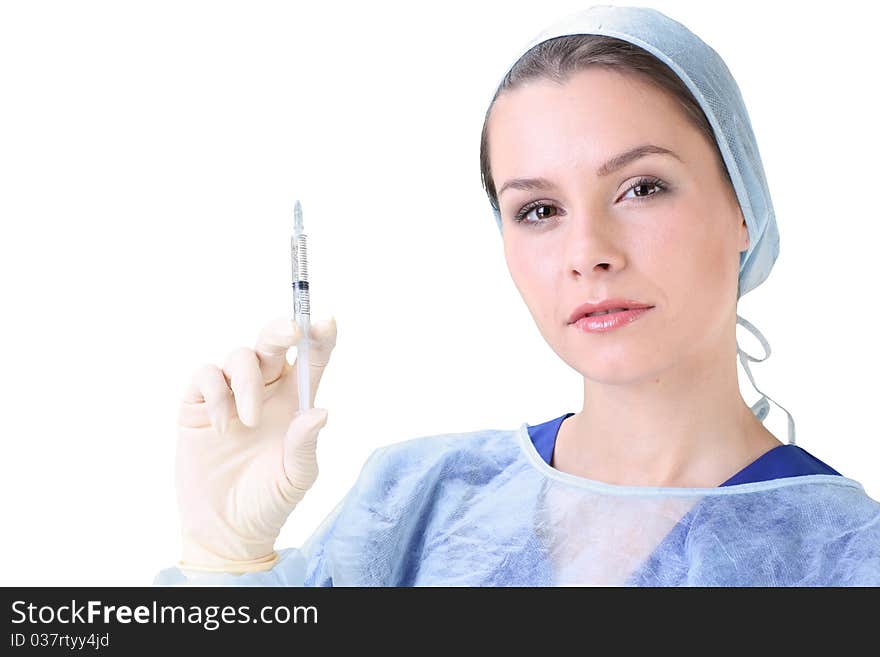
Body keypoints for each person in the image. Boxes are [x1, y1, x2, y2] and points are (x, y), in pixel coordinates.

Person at [155, 5, 880, 586]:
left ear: (744, 204)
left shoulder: (849, 559)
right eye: (539, 210)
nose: (588, 252)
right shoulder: (415, 500)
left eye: (641, 187)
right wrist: (225, 562)